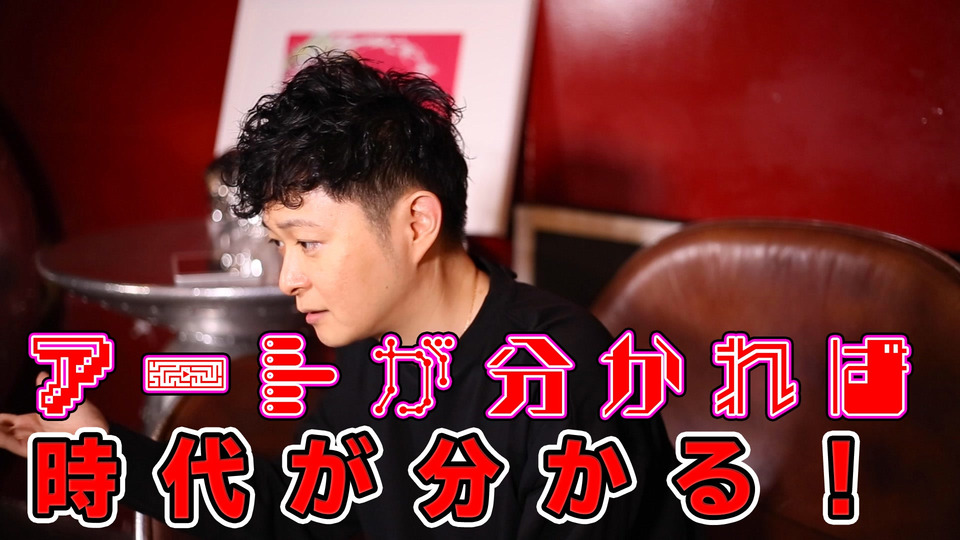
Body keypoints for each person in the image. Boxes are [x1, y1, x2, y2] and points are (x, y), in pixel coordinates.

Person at [0, 51, 691, 538]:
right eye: (281, 245)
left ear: (416, 224)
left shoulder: (563, 376)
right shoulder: (371, 354)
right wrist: (112, 459)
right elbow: (297, 510)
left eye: (309, 242)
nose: (287, 278)